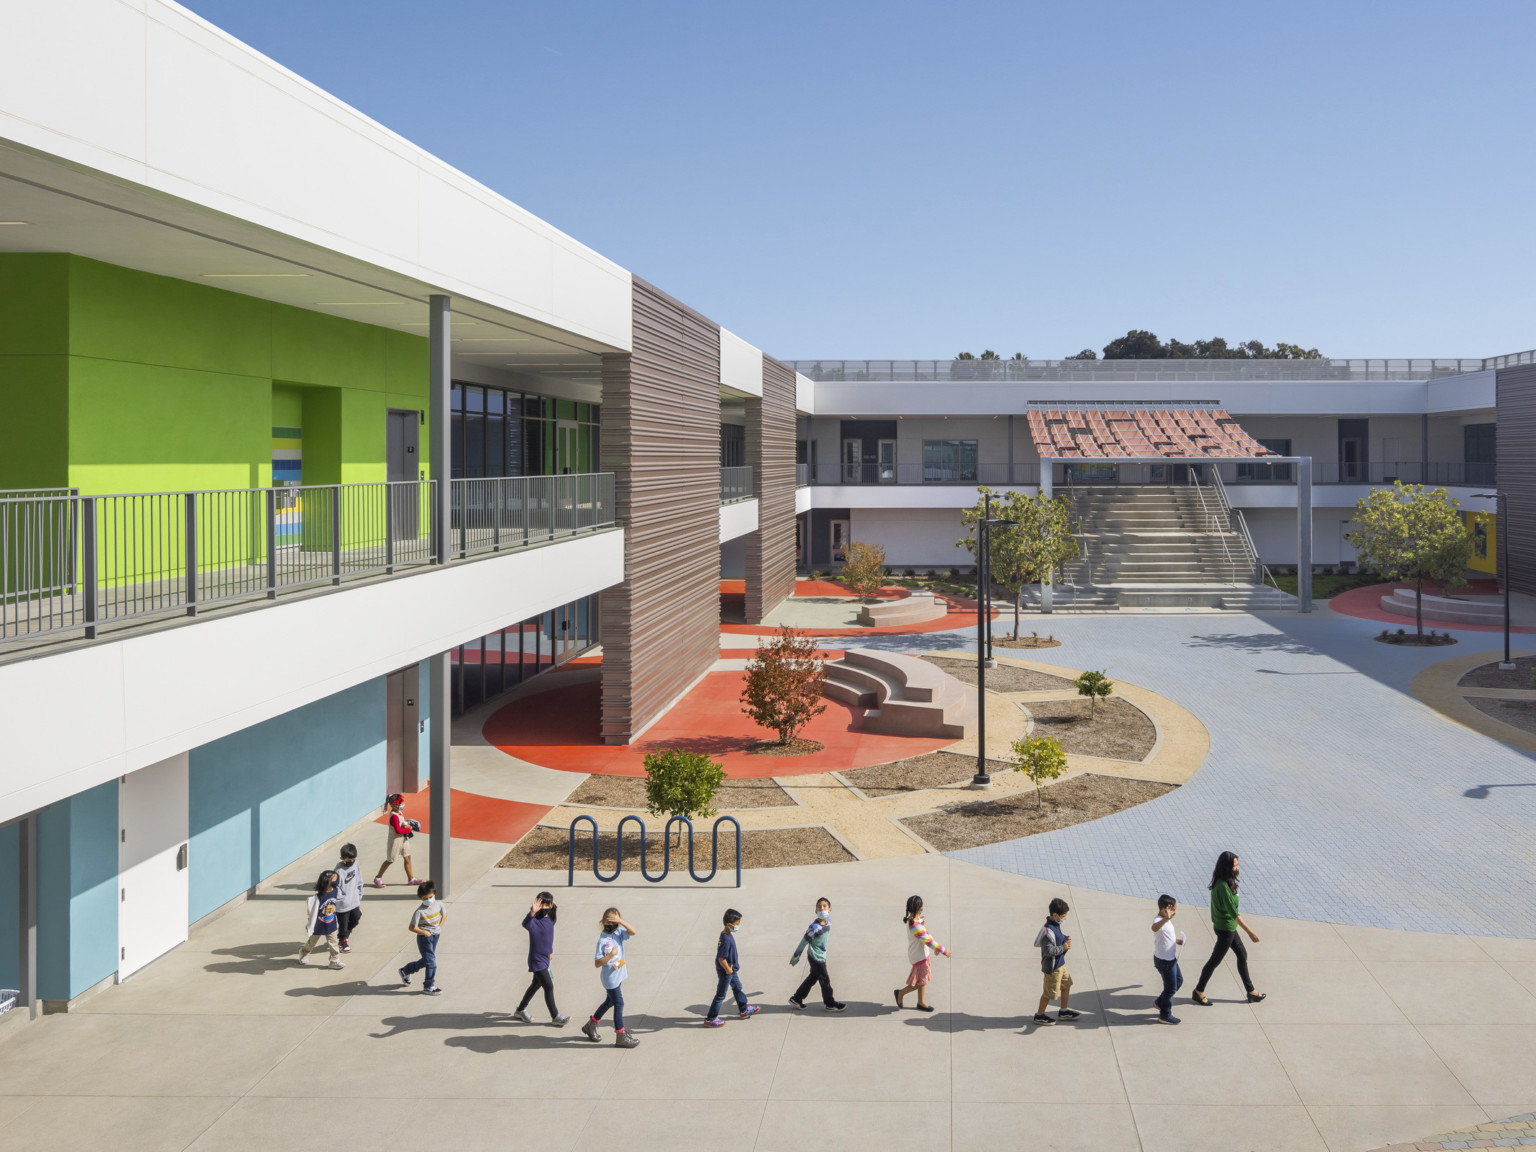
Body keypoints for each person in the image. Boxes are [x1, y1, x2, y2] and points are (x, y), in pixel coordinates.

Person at [1192, 851, 1265, 1006]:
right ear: (1227, 866)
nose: (1238, 868)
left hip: (1228, 928)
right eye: (1235, 865)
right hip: (1226, 929)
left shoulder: (1226, 881)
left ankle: (1251, 991)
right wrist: (1250, 932)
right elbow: (1234, 914)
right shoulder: (1223, 886)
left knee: (1242, 955)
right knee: (1214, 961)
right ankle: (1199, 991)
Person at [582, 907, 639, 1048]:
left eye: (615, 920)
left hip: (618, 976)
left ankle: (591, 1024)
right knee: (619, 1004)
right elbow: (597, 963)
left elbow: (633, 932)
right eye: (609, 920)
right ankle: (621, 1036)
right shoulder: (603, 941)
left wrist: (621, 922)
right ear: (603, 922)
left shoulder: (618, 932)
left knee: (610, 1002)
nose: (612, 923)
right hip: (610, 979)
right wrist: (610, 955)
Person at [514, 892, 569, 1026]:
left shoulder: (549, 920)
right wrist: (532, 913)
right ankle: (555, 1016)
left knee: (535, 985)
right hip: (536, 960)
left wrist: (550, 952)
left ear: (551, 905)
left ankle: (520, 1010)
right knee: (548, 986)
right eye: (540, 904)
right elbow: (525, 924)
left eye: (546, 904)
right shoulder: (534, 922)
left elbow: (548, 939)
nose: (543, 907)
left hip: (545, 959)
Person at [705, 909, 760, 1026]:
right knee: (721, 995)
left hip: (731, 969)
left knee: (737, 987)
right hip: (726, 971)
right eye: (737, 924)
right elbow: (721, 958)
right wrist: (728, 971)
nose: (738, 926)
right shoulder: (725, 940)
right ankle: (711, 1018)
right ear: (728, 925)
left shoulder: (727, 934)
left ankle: (744, 1009)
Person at [895, 895, 949, 1012]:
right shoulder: (915, 926)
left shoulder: (912, 920)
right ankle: (900, 993)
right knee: (921, 982)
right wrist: (943, 951)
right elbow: (928, 940)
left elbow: (925, 935)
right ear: (920, 908)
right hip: (919, 957)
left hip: (920, 954)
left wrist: (920, 920)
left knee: (922, 979)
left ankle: (921, 1002)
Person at [790, 897, 845, 1012]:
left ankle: (797, 998)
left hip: (821, 955)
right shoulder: (814, 928)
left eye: (824, 906)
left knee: (812, 978)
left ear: (829, 910)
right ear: (815, 911)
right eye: (819, 907)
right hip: (816, 957)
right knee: (825, 980)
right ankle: (830, 1004)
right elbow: (803, 942)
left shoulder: (828, 921)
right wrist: (796, 956)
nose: (821, 908)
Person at [1033, 897, 1080, 1025]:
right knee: (1049, 993)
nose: (1064, 919)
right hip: (1053, 969)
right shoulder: (1049, 931)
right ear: (1055, 915)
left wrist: (1064, 939)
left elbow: (1058, 939)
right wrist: (1063, 947)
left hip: (1061, 964)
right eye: (1063, 916)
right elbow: (1048, 951)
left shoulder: (1055, 925)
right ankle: (1039, 1015)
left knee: (1066, 985)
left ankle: (1063, 1011)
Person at [398, 879, 443, 995]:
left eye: (430, 897)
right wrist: (424, 932)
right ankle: (429, 986)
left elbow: (444, 914)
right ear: (420, 898)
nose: (428, 900)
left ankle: (406, 970)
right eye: (425, 899)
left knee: (427, 960)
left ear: (434, 894)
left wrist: (439, 927)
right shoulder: (419, 912)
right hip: (425, 939)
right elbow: (412, 927)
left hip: (435, 935)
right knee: (431, 962)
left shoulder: (439, 904)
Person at [299, 870, 345, 969]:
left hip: (331, 922)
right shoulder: (318, 898)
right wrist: (310, 923)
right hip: (318, 924)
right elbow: (311, 911)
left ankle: (334, 961)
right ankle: (303, 952)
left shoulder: (335, 890)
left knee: (333, 943)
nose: (337, 880)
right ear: (327, 882)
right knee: (312, 942)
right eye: (335, 878)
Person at [1151, 893, 1186, 1024]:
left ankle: (1160, 1002)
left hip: (1170, 959)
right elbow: (1154, 928)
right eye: (1174, 909)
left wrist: (1177, 941)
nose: (1175, 912)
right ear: (1166, 908)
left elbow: (1166, 937)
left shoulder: (1167, 921)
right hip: (1164, 962)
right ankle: (1164, 1015)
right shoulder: (1158, 920)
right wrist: (1166, 919)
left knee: (1178, 981)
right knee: (1171, 987)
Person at [373, 793, 420, 888]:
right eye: (401, 802)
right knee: (390, 860)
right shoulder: (394, 816)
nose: (403, 804)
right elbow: (398, 830)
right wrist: (409, 828)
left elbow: (401, 824)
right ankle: (378, 878)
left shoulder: (399, 812)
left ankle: (411, 879)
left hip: (403, 839)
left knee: (407, 857)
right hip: (395, 841)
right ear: (395, 804)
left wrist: (406, 824)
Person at [334, 844, 363, 954]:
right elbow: (336, 888)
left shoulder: (356, 865)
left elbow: (359, 879)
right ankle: (343, 941)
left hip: (354, 901)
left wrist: (359, 893)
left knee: (356, 918)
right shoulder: (338, 871)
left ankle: (346, 934)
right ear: (342, 858)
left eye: (353, 858)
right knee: (343, 925)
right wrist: (343, 899)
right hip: (343, 906)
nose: (352, 860)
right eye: (349, 859)